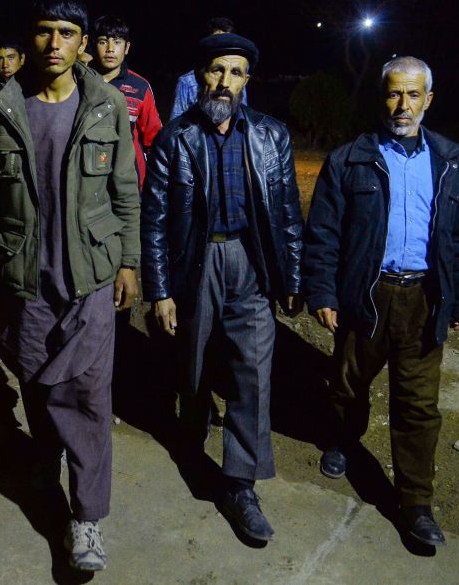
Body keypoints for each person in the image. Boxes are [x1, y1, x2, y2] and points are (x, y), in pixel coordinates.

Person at [0, 0, 140, 571]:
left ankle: (86, 518)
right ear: (30, 39)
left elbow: (125, 192)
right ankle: (46, 465)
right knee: (36, 383)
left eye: (67, 32)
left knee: (89, 395)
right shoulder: (3, 107)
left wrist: (129, 263)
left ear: (82, 43)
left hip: (91, 275)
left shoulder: (107, 104)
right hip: (25, 279)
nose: (54, 43)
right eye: (44, 32)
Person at [302, 56, 459, 547]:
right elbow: (323, 235)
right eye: (394, 94)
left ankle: (416, 502)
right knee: (348, 384)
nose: (403, 105)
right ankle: (341, 439)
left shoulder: (451, 162)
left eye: (413, 95)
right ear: (382, 97)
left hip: (425, 297)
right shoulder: (349, 159)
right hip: (367, 294)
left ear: (429, 99)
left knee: (419, 407)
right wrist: (322, 291)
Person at [141, 32, 303, 542]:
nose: (225, 82)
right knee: (192, 359)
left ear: (247, 80)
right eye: (216, 71)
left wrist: (293, 278)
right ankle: (190, 434)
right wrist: (161, 290)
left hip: (251, 261)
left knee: (253, 370)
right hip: (199, 260)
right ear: (199, 77)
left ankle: (240, 484)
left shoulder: (272, 135)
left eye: (236, 73)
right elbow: (156, 220)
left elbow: (287, 213)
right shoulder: (176, 137)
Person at [89, 15, 162, 188]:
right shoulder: (81, 83)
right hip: (89, 180)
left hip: (129, 182)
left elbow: (154, 141)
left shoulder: (140, 87)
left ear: (127, 47)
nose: (110, 49)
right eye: (102, 42)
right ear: (93, 45)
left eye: (117, 42)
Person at [169, 17, 243, 120]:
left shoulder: (238, 79)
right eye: (216, 42)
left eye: (226, 42)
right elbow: (175, 123)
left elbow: (243, 119)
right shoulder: (187, 82)